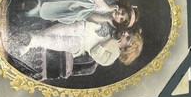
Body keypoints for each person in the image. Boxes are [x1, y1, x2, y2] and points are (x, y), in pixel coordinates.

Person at [14, 20, 143, 67]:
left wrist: (110, 41)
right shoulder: (115, 28)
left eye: (128, 37)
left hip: (81, 44)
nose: (125, 33)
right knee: (57, 30)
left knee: (57, 41)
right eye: (128, 33)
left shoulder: (113, 56)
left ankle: (31, 40)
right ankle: (31, 41)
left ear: (127, 47)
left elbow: (95, 53)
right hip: (83, 27)